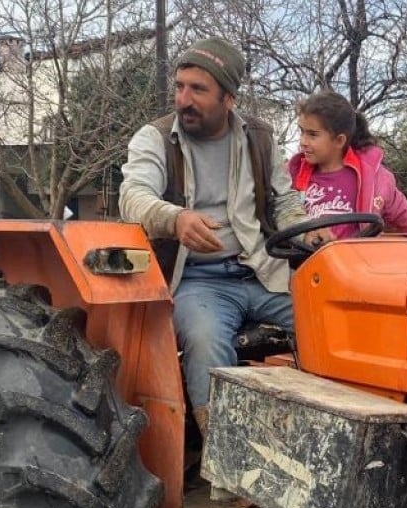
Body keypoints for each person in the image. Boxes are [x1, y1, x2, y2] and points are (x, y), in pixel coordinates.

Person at [119, 37, 313, 435]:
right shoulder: (154, 139)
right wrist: (175, 219)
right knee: (207, 342)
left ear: (229, 98)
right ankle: (222, 450)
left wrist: (306, 232)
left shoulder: (259, 138)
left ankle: (316, 430)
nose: (183, 99)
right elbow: (133, 197)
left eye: (198, 89)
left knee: (326, 321)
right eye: (180, 86)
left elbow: (285, 201)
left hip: (262, 272)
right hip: (197, 280)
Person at [287, 91, 407, 242]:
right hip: (305, 263)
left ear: (339, 141)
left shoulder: (375, 181)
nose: (302, 141)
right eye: (301, 132)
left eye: (312, 135)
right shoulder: (292, 176)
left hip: (355, 262)